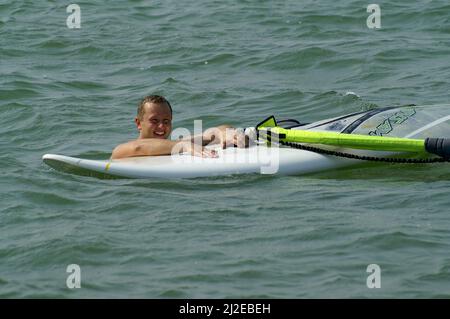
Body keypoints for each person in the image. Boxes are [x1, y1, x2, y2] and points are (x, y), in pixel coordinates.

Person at [111, 95, 248, 159]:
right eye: (154, 120)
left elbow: (213, 133)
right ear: (138, 123)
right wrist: (182, 146)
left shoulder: (182, 143)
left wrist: (228, 132)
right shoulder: (122, 151)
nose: (161, 126)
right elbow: (138, 147)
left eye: (166, 121)